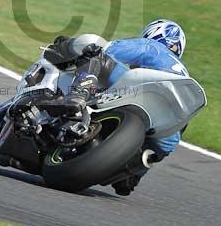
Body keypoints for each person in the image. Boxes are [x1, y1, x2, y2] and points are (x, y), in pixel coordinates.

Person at [42, 19, 189, 196]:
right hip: (168, 126)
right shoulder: (182, 73)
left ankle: (77, 95)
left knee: (96, 55)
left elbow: (109, 50)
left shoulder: (152, 46)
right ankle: (131, 173)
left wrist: (69, 47)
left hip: (143, 88)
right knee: (164, 142)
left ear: (153, 34)